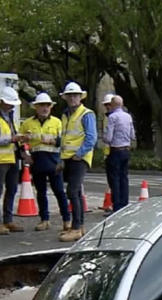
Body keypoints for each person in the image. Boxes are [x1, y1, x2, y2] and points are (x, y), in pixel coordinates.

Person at [19, 92, 69, 232]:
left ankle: (66, 220)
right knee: (41, 192)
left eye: (47, 105)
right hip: (37, 161)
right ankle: (44, 220)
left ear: (51, 107)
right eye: (42, 105)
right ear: (36, 107)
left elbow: (64, 140)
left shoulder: (57, 122)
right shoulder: (28, 123)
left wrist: (53, 141)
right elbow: (20, 141)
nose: (45, 108)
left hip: (54, 161)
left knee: (59, 191)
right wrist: (24, 155)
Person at [0, 86, 27, 235]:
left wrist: (21, 147)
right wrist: (12, 138)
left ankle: (8, 220)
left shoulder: (9, 116)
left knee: (12, 189)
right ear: (1, 101)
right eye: (10, 102)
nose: (12, 105)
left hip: (12, 158)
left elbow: (12, 136)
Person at [58, 81, 97, 242]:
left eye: (75, 95)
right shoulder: (66, 114)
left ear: (80, 97)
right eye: (70, 95)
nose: (73, 98)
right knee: (77, 193)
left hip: (78, 158)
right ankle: (79, 227)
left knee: (72, 192)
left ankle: (75, 228)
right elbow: (64, 137)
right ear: (66, 97)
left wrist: (79, 154)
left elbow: (91, 137)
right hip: (69, 157)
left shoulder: (86, 114)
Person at [103, 95, 136, 212]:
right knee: (124, 178)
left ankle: (116, 206)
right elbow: (132, 135)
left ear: (112, 105)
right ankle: (125, 204)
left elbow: (109, 137)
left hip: (115, 150)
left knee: (115, 179)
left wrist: (105, 137)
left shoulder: (112, 117)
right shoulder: (128, 117)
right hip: (126, 150)